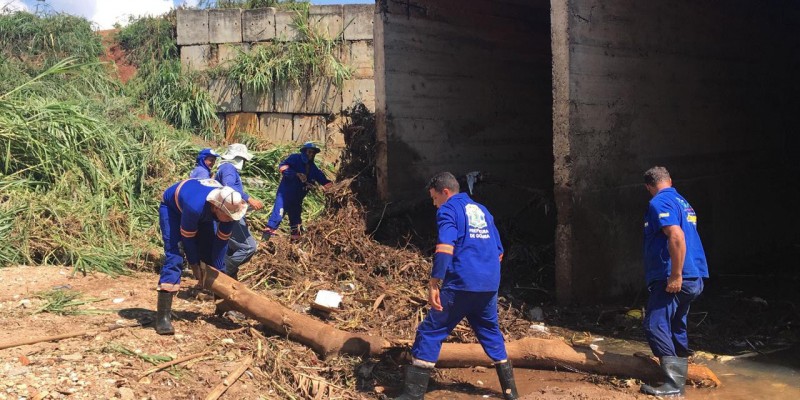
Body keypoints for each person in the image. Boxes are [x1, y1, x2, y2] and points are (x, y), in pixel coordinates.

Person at [395, 172, 518, 400]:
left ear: (446, 192)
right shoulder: (483, 210)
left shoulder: (448, 209)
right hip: (489, 285)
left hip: (462, 283)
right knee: (491, 333)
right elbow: (499, 251)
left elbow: (445, 247)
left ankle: (412, 395)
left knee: (430, 331)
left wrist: (434, 282)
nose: (434, 204)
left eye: (434, 198)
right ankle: (511, 393)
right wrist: (485, 274)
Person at [640, 166, 709, 396]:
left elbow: (677, 236)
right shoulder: (683, 202)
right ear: (669, 180)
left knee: (655, 324)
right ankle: (682, 382)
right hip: (694, 275)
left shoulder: (659, 203)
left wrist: (676, 275)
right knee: (676, 325)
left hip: (675, 276)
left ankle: (673, 385)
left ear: (648, 187)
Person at [156, 179, 248, 335]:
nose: (231, 219)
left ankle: (224, 307)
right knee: (175, 254)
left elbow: (220, 244)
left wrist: (218, 270)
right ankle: (162, 318)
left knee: (210, 253)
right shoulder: (195, 208)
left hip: (204, 212)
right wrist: (194, 267)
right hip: (173, 209)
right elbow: (188, 240)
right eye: (227, 215)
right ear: (215, 206)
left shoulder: (231, 211)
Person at [261, 142, 332, 241]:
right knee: (278, 214)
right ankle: (265, 240)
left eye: (313, 153)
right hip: (285, 194)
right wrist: (296, 174)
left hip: (297, 198)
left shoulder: (313, 168)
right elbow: (282, 167)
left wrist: (331, 186)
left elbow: (323, 180)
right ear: (304, 151)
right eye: (309, 152)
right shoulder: (295, 158)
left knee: (296, 220)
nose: (311, 154)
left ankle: (294, 245)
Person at [214, 143, 264, 281]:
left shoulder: (225, 168)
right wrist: (249, 199)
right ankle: (221, 274)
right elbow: (229, 187)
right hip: (230, 213)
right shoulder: (229, 168)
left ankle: (223, 278)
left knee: (229, 248)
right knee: (248, 247)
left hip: (227, 211)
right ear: (238, 157)